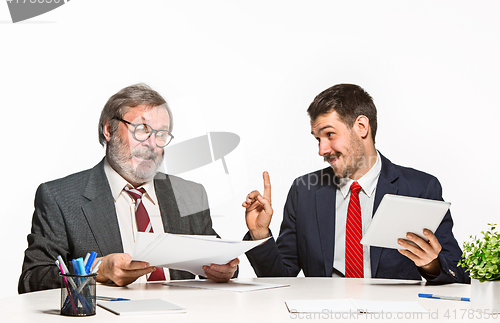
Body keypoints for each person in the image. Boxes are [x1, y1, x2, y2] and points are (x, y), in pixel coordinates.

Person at [19, 83, 238, 294]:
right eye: (142, 129)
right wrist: (98, 271)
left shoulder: (190, 194)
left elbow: (218, 263)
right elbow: (32, 279)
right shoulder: (60, 198)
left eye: (161, 134)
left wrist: (225, 270)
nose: (152, 144)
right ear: (108, 129)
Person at [243, 83, 469, 284]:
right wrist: (260, 234)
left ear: (362, 127)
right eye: (317, 139)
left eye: (329, 134)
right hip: (322, 314)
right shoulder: (304, 190)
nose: (322, 150)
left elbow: (459, 273)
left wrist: (430, 264)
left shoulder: (420, 188)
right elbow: (280, 279)